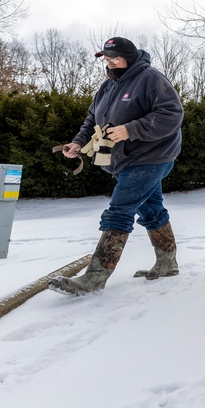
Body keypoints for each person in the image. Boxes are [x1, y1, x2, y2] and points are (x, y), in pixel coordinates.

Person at [49, 36, 184, 296]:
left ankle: (93, 279)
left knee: (118, 213)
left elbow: (172, 115)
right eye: (106, 59)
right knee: (151, 211)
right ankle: (168, 264)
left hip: (151, 158)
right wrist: (78, 143)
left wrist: (131, 129)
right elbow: (92, 119)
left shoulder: (151, 79)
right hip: (125, 160)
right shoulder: (108, 86)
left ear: (129, 58)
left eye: (115, 58)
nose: (110, 64)